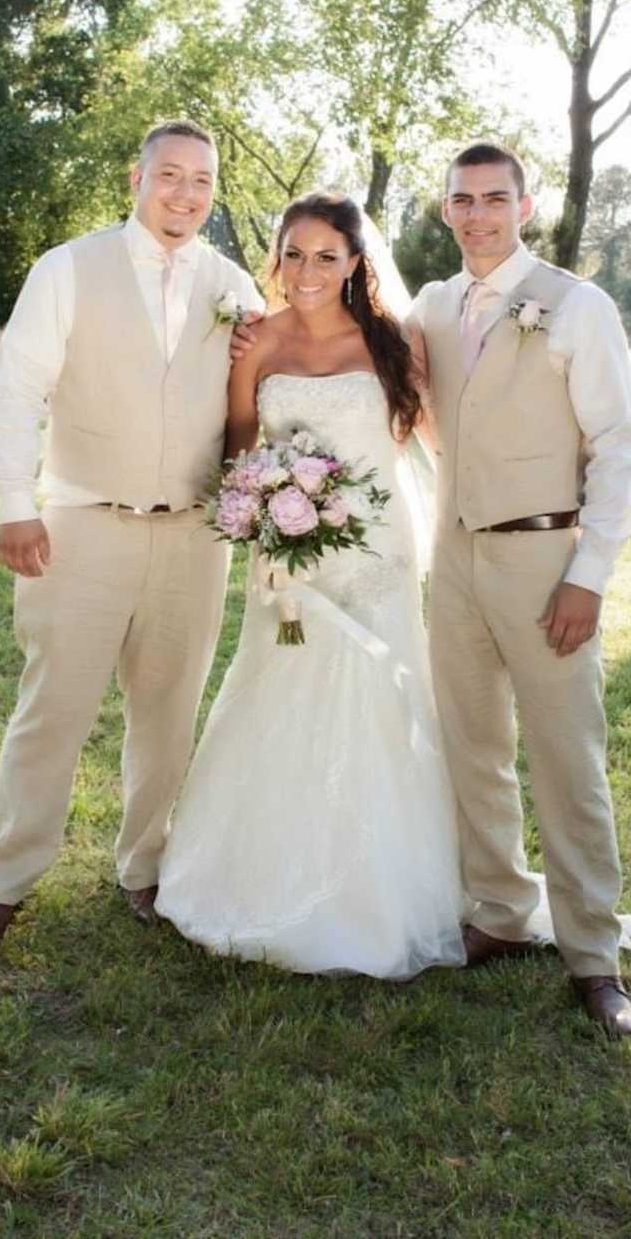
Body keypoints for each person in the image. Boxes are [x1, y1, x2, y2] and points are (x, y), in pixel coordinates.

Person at [0, 120, 263, 944]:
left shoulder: (236, 286)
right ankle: (5, 880)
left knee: (168, 715)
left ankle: (147, 868)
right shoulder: (67, 268)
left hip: (194, 536)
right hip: (80, 525)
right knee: (51, 709)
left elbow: (260, 405)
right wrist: (14, 502)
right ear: (138, 178)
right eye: (170, 175)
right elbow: (18, 389)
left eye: (201, 181)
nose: (185, 194)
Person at [154, 192, 469, 979]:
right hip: (288, 557)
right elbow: (236, 447)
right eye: (294, 253)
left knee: (380, 697)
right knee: (281, 690)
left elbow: (439, 444)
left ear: (357, 262)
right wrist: (257, 509)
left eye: (327, 255)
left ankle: (380, 890)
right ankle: (263, 872)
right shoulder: (256, 338)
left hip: (378, 555)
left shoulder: (394, 342)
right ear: (277, 257)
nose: (307, 271)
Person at [405, 142, 631, 1035]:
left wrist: (588, 574)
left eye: (494, 198)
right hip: (454, 556)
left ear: (525, 205)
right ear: (446, 210)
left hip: (548, 561)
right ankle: (500, 913)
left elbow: (618, 446)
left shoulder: (578, 308)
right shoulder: (434, 304)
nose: (478, 215)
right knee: (472, 746)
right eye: (462, 200)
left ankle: (594, 956)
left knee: (567, 759)